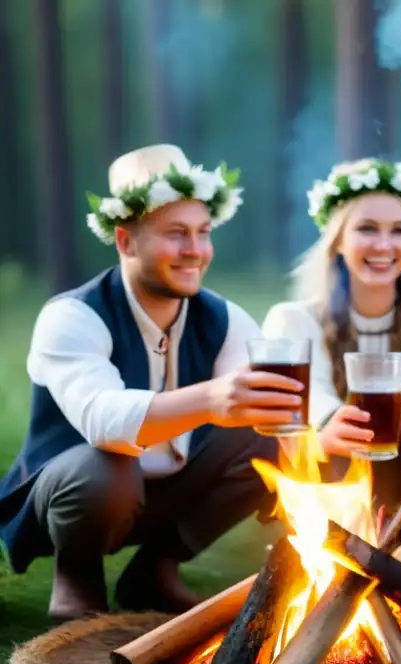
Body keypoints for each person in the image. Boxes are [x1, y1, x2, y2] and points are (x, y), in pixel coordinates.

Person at [0, 144, 297, 621]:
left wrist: (325, 433)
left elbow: (268, 414)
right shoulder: (72, 315)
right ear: (125, 241)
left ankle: (156, 569)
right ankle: (77, 573)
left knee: (263, 437)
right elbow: (104, 421)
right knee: (109, 465)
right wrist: (212, 400)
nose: (195, 251)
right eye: (175, 234)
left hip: (170, 486)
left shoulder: (224, 317)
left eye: (203, 233)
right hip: (77, 490)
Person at [261, 158, 401, 540]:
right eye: (366, 229)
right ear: (338, 241)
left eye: (399, 231)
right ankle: (335, 537)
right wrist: (330, 431)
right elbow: (314, 406)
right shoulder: (293, 318)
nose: (383, 245)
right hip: (333, 468)